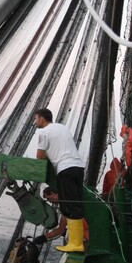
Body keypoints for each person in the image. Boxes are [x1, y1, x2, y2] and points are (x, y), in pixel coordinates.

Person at [33, 108, 85, 253]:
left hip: (65, 169)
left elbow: (40, 157)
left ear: (42, 118)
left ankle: (76, 244)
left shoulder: (44, 132)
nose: (35, 122)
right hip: (78, 168)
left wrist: (47, 156)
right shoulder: (62, 128)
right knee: (73, 204)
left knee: (70, 207)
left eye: (36, 119)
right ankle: (75, 242)